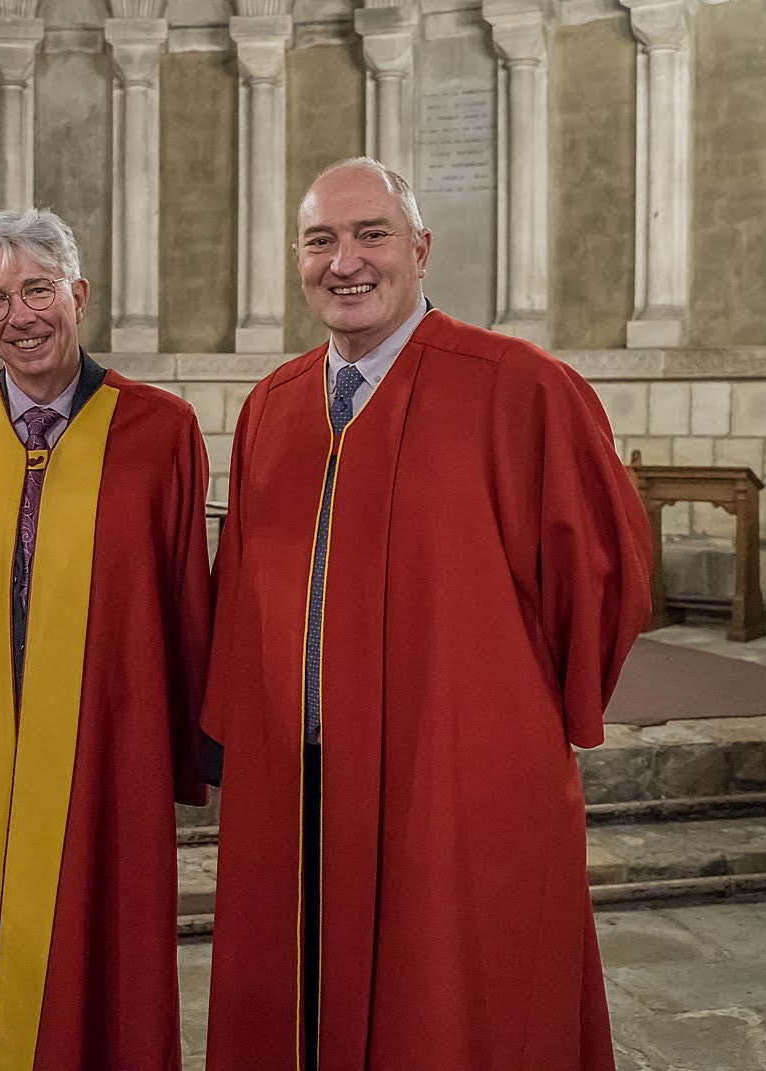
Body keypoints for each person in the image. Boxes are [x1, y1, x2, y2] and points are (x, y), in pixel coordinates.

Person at [203, 157, 651, 1070]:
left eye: (372, 235)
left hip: (457, 782)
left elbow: (603, 576)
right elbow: (239, 596)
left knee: (454, 1011)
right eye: (321, 239)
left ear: (421, 248)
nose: (346, 262)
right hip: (302, 785)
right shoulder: (273, 407)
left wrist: (514, 723)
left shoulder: (520, 387)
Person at [0, 207, 212, 1071]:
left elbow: (183, 604)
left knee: (102, 950)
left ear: (78, 294)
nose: (18, 316)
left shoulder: (160, 431)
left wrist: (187, 752)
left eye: (36, 290)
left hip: (105, 745)